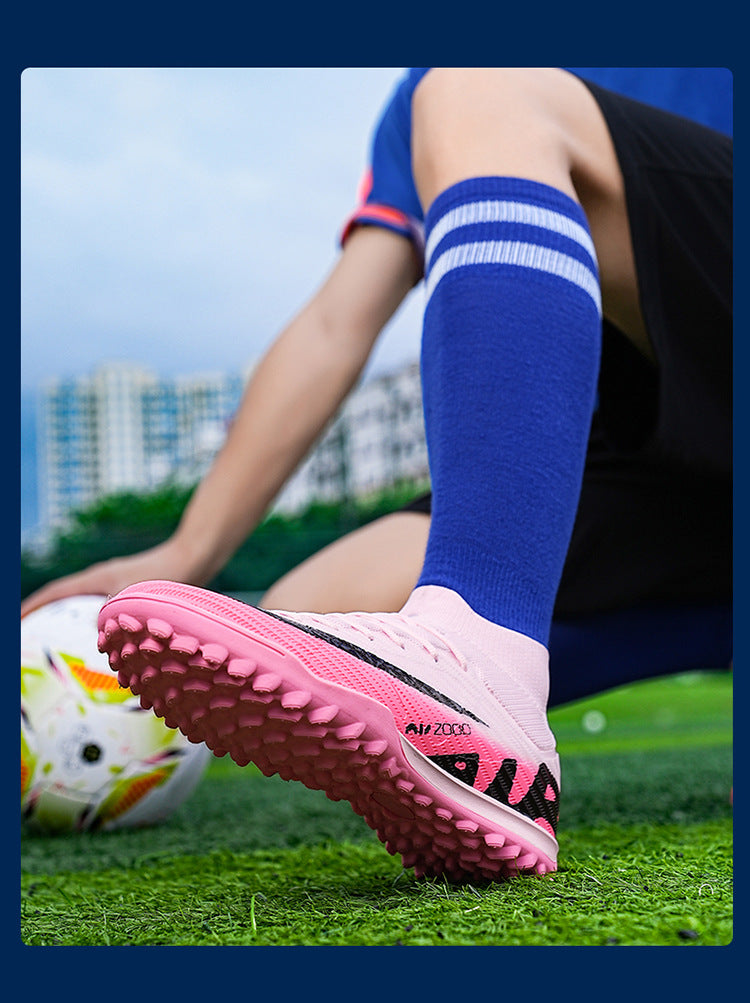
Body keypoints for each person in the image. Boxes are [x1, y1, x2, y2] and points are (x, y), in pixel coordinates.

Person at [30, 68, 732, 883]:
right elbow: (335, 326)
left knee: (484, 94)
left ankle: (484, 658)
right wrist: (187, 551)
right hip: (649, 445)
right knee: (300, 620)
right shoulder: (419, 96)